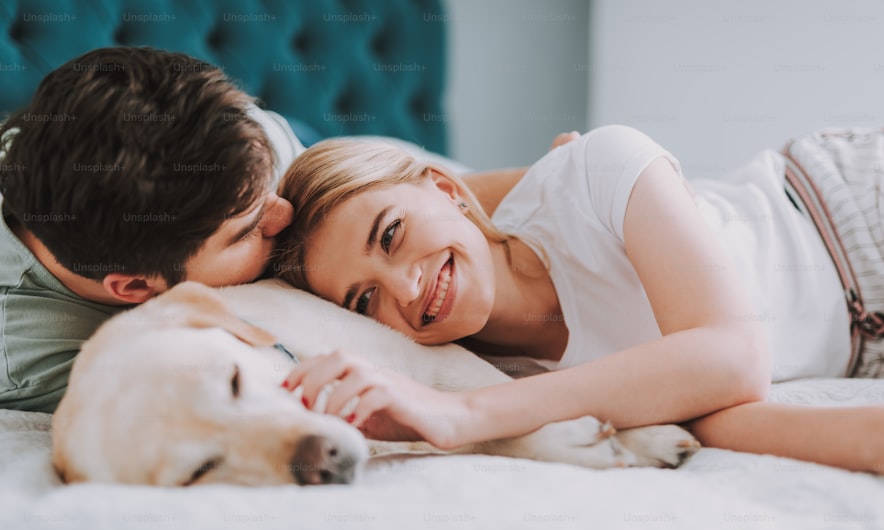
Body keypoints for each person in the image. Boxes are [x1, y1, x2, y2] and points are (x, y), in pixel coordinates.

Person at [273, 124, 884, 512]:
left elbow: (732, 359)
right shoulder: (510, 376)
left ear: (446, 190)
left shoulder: (596, 171)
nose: (404, 287)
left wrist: (463, 415)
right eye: (363, 300)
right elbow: (716, 414)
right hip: (878, 356)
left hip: (860, 216)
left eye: (391, 234)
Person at [0, 46, 529, 413]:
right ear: (137, 288)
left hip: (305, 146)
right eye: (249, 230)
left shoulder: (248, 149)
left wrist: (554, 183)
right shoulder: (34, 354)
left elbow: (426, 198)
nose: (286, 215)